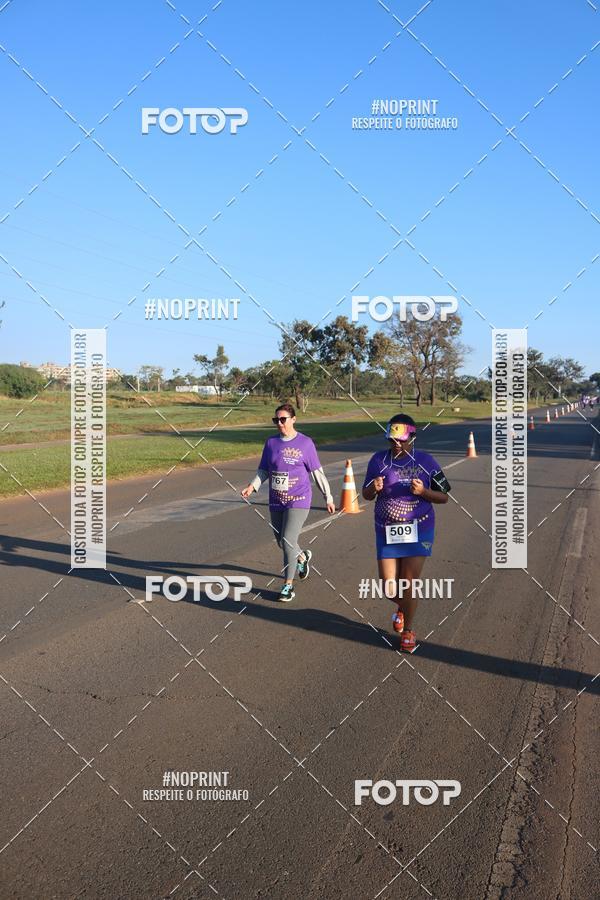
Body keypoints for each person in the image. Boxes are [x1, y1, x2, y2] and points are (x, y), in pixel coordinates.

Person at [362, 414, 451, 652]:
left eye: (401, 439)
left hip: (419, 528)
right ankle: (404, 606)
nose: (396, 444)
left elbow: (444, 496)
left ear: (412, 437)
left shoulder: (426, 461)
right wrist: (374, 487)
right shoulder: (378, 460)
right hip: (386, 529)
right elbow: (366, 495)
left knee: (409, 583)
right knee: (390, 588)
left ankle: (409, 630)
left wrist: (424, 492)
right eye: (392, 439)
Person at [241, 403, 336, 601]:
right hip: (276, 499)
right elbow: (264, 470)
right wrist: (252, 486)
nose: (279, 423)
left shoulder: (305, 443)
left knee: (287, 540)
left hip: (299, 498)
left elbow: (317, 472)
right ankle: (302, 557)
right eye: (276, 420)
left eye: (283, 419)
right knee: (282, 542)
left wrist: (328, 496)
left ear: (293, 419)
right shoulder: (271, 443)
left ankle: (287, 586)